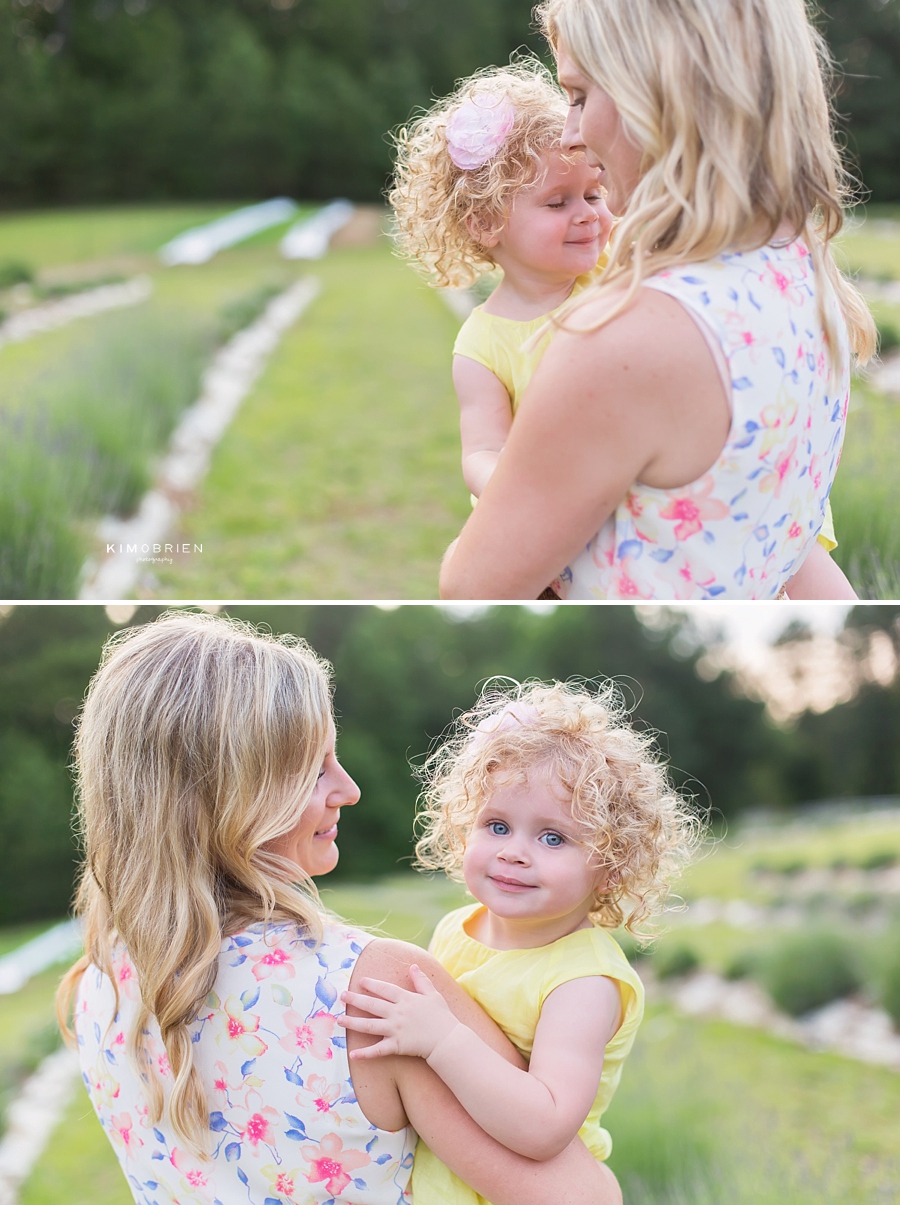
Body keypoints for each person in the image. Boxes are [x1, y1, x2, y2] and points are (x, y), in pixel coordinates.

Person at [56, 612, 621, 1205]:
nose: (347, 788)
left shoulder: (102, 980)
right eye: (313, 768)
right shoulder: (372, 991)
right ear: (231, 794)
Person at [439, 0, 875, 601]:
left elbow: (474, 588)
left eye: (579, 96)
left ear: (656, 95)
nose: (572, 132)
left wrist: (461, 553)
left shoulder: (626, 338)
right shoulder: (803, 265)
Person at [339, 680, 700, 1205]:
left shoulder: (584, 980)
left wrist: (441, 1040)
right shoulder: (458, 927)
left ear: (611, 865)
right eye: (497, 825)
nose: (515, 853)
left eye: (552, 837)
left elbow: (545, 1125)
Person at [391, 63, 612, 506]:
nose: (588, 213)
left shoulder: (615, 270)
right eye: (557, 202)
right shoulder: (482, 346)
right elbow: (482, 449)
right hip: (556, 511)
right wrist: (518, 494)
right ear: (487, 223)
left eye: (594, 194)